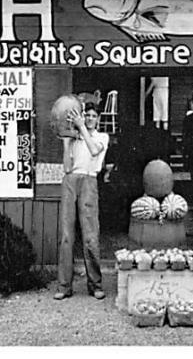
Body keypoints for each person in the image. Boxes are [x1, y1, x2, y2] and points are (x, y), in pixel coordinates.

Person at [54, 102, 110, 301]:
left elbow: (94, 151)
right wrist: (67, 142)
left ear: (99, 119)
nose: (90, 119)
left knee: (90, 236)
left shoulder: (101, 137)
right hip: (71, 180)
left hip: (89, 180)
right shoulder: (75, 137)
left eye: (94, 116)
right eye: (87, 115)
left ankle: (95, 284)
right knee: (67, 236)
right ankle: (64, 286)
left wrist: (82, 128)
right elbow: (67, 168)